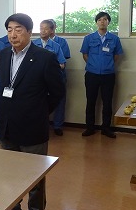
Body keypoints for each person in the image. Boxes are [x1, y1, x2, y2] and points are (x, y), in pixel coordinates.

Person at [0, 13, 64, 210]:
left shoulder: (45, 57)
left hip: (33, 126)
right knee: (8, 173)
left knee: (34, 177)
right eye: (9, 30)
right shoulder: (2, 54)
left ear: (29, 32)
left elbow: (57, 91)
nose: (12, 35)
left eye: (18, 29)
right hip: (7, 125)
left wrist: (40, 112)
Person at [80, 11, 124, 139]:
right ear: (96, 22)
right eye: (99, 19)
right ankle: (89, 127)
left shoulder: (114, 39)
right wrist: (93, 65)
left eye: (105, 19)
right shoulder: (88, 38)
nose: (102, 21)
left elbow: (116, 56)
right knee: (91, 102)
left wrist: (106, 65)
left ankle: (106, 128)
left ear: (108, 22)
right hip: (91, 74)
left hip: (108, 75)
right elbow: (85, 54)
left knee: (107, 102)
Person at [32, 20, 67, 136]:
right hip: (37, 80)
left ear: (51, 30)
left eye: (46, 28)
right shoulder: (32, 44)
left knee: (55, 102)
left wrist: (49, 67)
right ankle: (37, 126)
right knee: (37, 103)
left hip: (51, 80)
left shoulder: (56, 46)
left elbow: (62, 64)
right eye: (41, 28)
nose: (43, 31)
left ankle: (57, 126)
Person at [47, 19, 71, 135]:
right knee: (42, 101)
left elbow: (63, 60)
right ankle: (42, 124)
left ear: (54, 28)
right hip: (43, 77)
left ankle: (57, 126)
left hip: (58, 76)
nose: (45, 30)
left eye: (49, 27)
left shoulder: (61, 42)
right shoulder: (37, 43)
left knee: (60, 101)